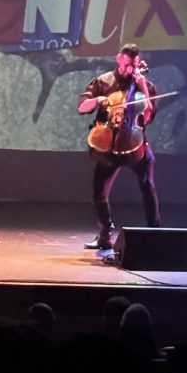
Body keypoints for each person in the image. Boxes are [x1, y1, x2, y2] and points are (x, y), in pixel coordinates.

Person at [78, 43, 159, 250]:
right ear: (118, 59)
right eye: (126, 65)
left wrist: (140, 84)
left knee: (147, 186)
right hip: (109, 143)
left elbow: (148, 114)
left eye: (133, 66)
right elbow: (82, 107)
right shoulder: (103, 81)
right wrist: (98, 100)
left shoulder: (145, 85)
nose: (130, 70)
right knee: (99, 192)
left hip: (135, 142)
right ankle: (105, 232)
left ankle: (155, 231)